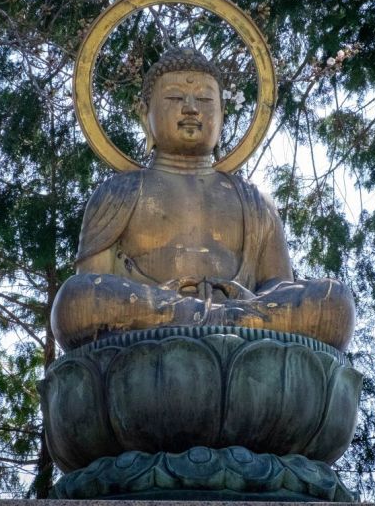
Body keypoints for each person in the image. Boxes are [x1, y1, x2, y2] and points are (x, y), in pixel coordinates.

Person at [52, 48, 355, 351]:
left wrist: (253, 303)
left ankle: (218, 317)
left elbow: (277, 286)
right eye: (174, 98)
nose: (191, 109)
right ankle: (211, 316)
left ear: (222, 114)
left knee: (334, 300)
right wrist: (165, 301)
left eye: (205, 100)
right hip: (157, 318)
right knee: (77, 296)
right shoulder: (120, 191)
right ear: (145, 114)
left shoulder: (255, 200)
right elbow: (93, 284)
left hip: (242, 316)